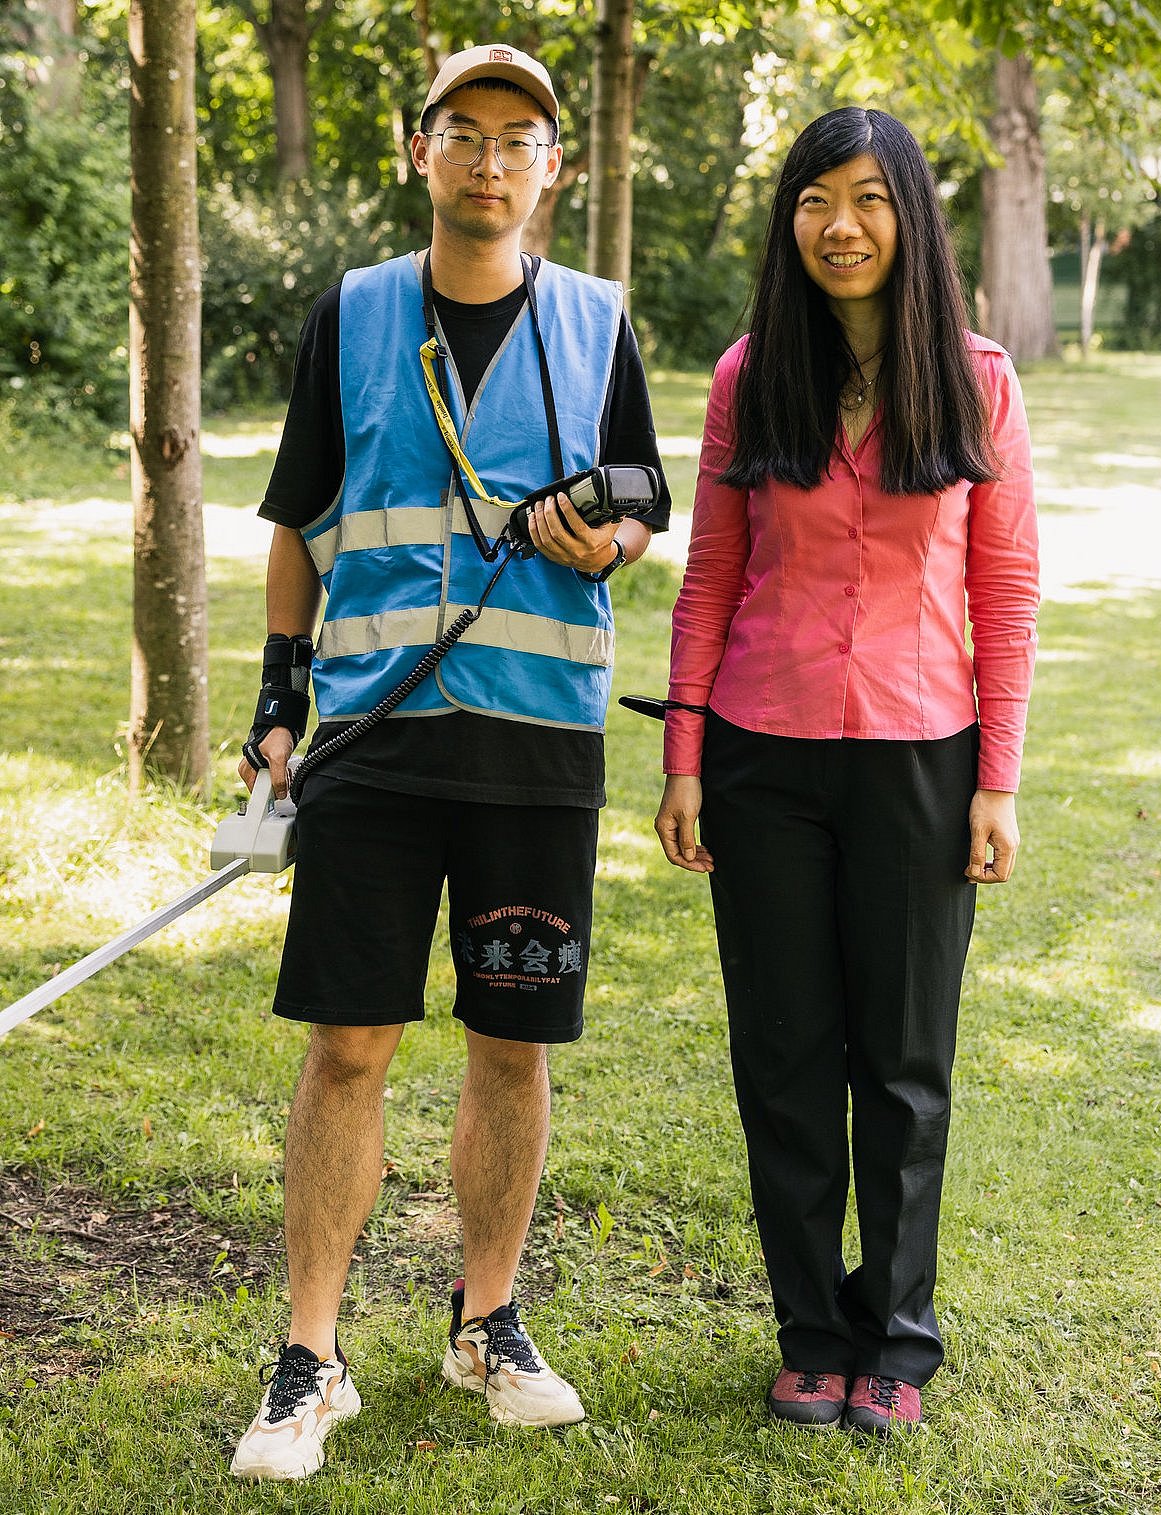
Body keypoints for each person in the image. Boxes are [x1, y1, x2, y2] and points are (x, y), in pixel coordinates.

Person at [229, 43, 670, 1481]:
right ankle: (310, 1356)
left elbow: (642, 504)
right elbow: (298, 520)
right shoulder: (353, 313)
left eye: (518, 139)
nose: (490, 160)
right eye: (464, 134)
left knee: (513, 1043)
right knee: (349, 1043)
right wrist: (280, 695)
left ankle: (489, 1320)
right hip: (372, 735)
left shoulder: (599, 321)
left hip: (536, 742)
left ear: (558, 168)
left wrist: (602, 536)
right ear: (421, 154)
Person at [654, 107, 1039, 1436]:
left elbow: (1008, 589)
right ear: (791, 221)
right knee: (783, 1057)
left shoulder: (979, 378)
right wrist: (686, 754)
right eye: (818, 200)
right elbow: (710, 576)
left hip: (922, 759)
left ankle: (902, 1335)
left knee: (906, 1063)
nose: (842, 225)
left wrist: (998, 781)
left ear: (910, 216)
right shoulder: (748, 374)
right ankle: (814, 1327)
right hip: (764, 758)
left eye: (869, 199)